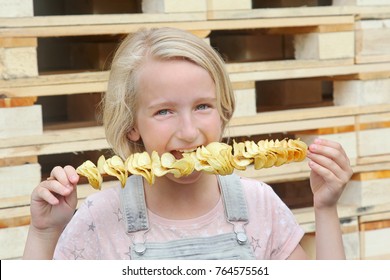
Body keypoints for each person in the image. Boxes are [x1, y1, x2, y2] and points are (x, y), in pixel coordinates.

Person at [23, 27, 352, 260]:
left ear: (223, 111)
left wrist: (324, 208)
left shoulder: (259, 205)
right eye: (164, 111)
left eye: (203, 106)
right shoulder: (100, 218)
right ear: (132, 125)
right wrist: (43, 234)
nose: (189, 131)